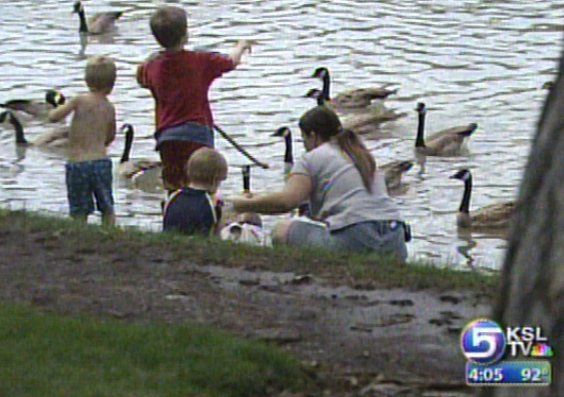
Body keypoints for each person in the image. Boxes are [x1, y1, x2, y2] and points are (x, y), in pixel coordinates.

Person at [230, 106, 409, 261]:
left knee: (281, 230)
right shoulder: (362, 155)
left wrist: (240, 204)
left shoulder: (313, 157)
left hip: (357, 238)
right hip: (395, 239)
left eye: (304, 139)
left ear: (313, 136)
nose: (305, 146)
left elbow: (286, 202)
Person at [136, 5, 253, 192]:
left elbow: (141, 78)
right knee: (203, 184)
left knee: (173, 186)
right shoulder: (200, 61)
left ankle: (172, 216)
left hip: (167, 136)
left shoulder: (152, 67)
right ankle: (205, 217)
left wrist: (151, 60)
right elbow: (231, 62)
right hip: (197, 133)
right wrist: (241, 45)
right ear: (185, 35)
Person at [49, 56, 117, 226]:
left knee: (79, 208)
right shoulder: (109, 107)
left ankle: (79, 229)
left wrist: (54, 111)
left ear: (86, 80)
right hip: (101, 162)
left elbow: (54, 117)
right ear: (112, 85)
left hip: (78, 163)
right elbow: (111, 135)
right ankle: (109, 230)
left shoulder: (79, 100)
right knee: (107, 205)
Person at [163, 147, 227, 236]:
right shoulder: (213, 203)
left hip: (170, 245)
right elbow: (217, 234)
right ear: (215, 179)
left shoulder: (173, 197)